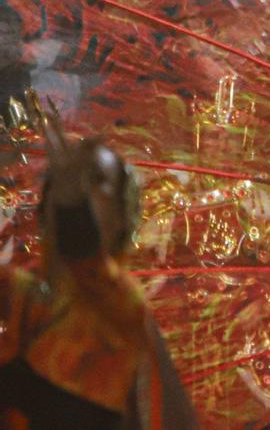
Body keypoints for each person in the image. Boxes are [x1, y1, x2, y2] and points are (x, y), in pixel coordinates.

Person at [0, 108, 194, 428]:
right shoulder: (20, 299)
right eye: (63, 180)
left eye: (95, 180)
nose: (74, 187)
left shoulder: (122, 316)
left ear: (121, 218)